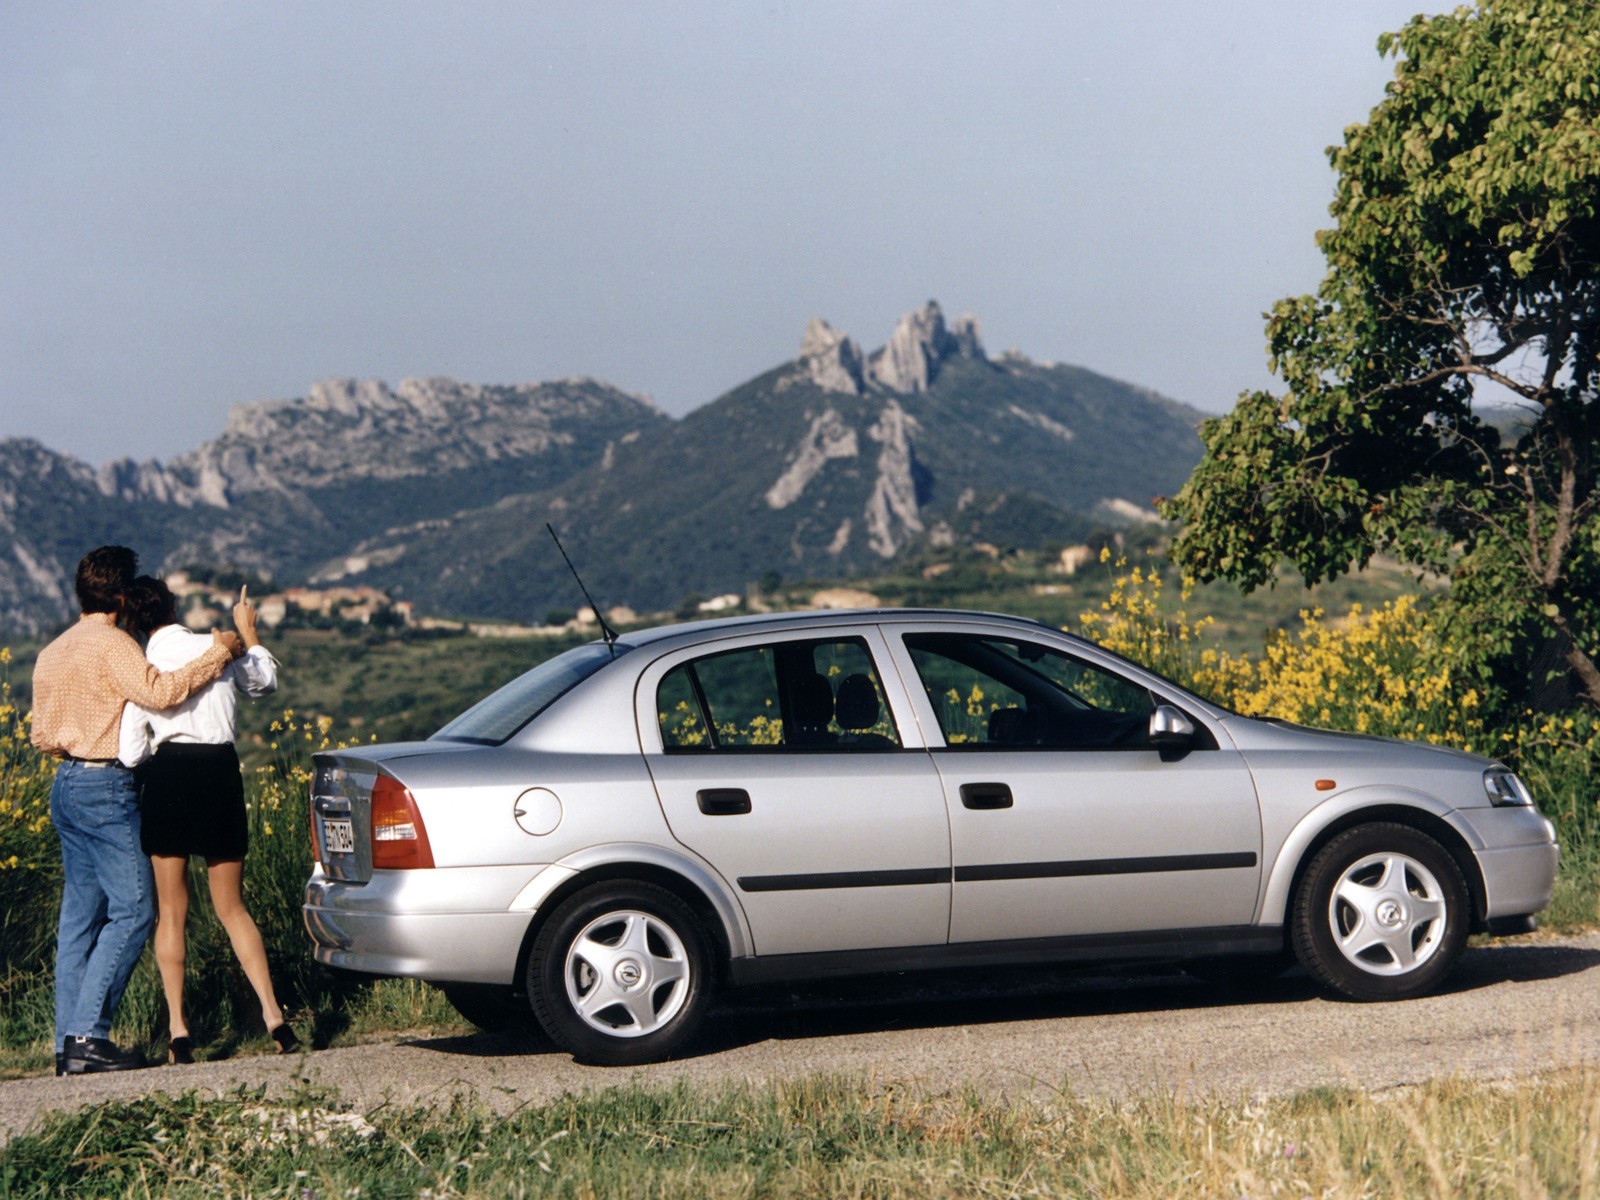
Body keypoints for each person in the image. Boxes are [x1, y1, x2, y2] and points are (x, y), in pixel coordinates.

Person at [30, 545, 243, 1075]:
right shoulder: (115, 644)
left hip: (65, 784)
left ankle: (67, 1045)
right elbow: (164, 692)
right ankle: (89, 1035)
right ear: (122, 597)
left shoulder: (52, 650)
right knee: (135, 910)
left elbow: (39, 734)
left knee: (79, 918)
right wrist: (219, 651)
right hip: (105, 788)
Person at [119, 576, 301, 1063]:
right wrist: (248, 629)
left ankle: (179, 1030)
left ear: (133, 623)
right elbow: (264, 681)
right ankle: (273, 1016)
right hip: (219, 770)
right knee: (232, 907)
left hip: (170, 774)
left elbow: (130, 752)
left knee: (173, 912)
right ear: (174, 605)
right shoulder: (215, 647)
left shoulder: (144, 666)